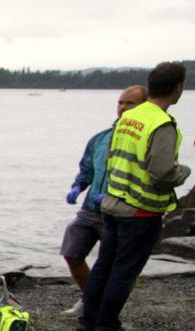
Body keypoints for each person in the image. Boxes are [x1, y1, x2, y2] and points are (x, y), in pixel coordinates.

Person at [78, 62, 191, 331]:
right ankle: (107, 326)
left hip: (113, 202)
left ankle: (87, 322)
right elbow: (162, 171)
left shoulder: (129, 117)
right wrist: (185, 172)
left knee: (104, 264)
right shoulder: (161, 123)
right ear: (178, 88)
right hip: (141, 209)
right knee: (124, 270)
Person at [59, 85, 148, 316]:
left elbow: (144, 176)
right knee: (72, 250)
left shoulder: (144, 139)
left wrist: (115, 196)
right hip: (90, 209)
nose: (123, 107)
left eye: (130, 103)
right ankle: (89, 300)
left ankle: (105, 312)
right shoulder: (100, 139)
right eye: (121, 102)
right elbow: (87, 169)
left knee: (110, 264)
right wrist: (78, 187)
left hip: (119, 210)